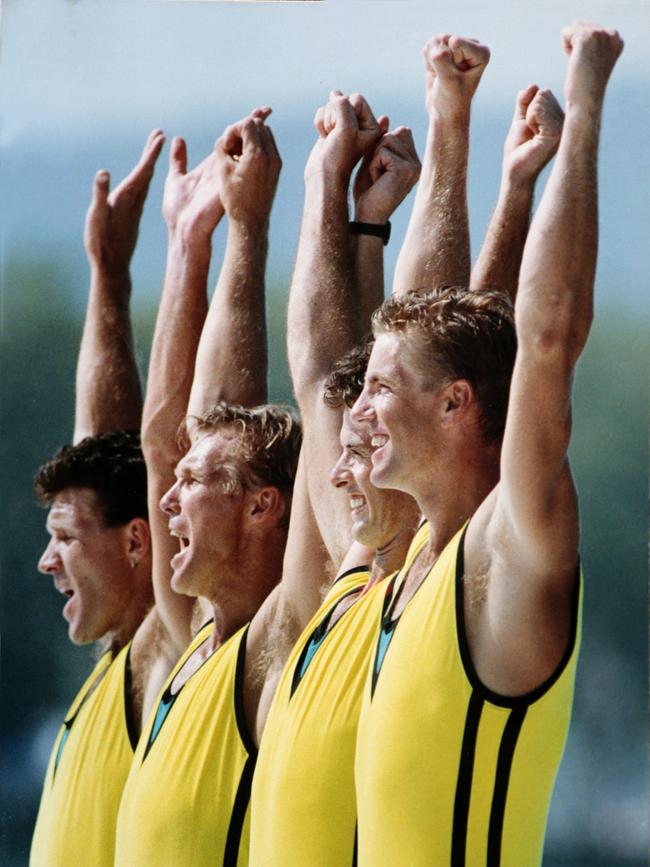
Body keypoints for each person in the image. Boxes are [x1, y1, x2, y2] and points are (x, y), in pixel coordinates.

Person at [250, 34, 564, 866]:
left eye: (377, 416)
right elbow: (344, 374)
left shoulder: (400, 550)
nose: (353, 438)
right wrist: (348, 215)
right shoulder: (355, 577)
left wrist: (458, 142)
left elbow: (454, 349)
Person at [350, 23, 623, 866]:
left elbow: (541, 342)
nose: (357, 412)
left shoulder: (510, 549)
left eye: (379, 390)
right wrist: (479, 158)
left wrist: (584, 102)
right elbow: (471, 338)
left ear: (456, 408)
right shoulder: (408, 566)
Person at [114, 110, 303, 867]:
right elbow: (168, 445)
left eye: (198, 485)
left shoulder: (280, 643)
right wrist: (190, 246)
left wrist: (253, 231)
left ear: (264, 506)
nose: (164, 501)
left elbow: (296, 391)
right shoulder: (198, 635)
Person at [30, 130, 164, 867]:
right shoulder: (115, 664)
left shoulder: (171, 651)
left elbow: (168, 446)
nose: (47, 563)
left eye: (65, 541)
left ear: (141, 544)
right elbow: (106, 460)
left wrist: (224, 242)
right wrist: (108, 274)